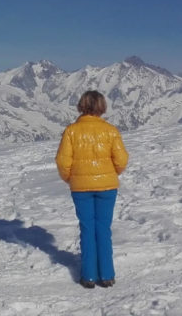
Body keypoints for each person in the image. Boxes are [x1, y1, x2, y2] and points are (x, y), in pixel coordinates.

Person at [55, 90, 129, 289]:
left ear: (81, 105)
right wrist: (111, 173)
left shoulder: (71, 131)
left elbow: (62, 162)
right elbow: (122, 160)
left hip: (80, 188)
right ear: (102, 107)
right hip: (107, 187)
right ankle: (107, 275)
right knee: (103, 229)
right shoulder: (110, 131)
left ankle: (88, 276)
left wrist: (71, 178)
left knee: (87, 228)